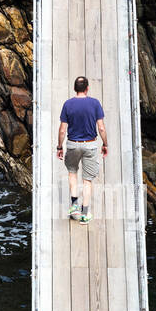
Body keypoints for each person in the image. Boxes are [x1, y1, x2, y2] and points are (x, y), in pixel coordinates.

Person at [55, 76, 108, 224]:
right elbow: (101, 127)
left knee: (72, 172)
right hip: (90, 144)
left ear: (74, 88)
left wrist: (59, 147)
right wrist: (105, 144)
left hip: (72, 144)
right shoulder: (95, 103)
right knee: (87, 181)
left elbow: (62, 130)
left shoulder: (68, 104)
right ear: (87, 88)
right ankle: (85, 214)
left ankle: (74, 206)